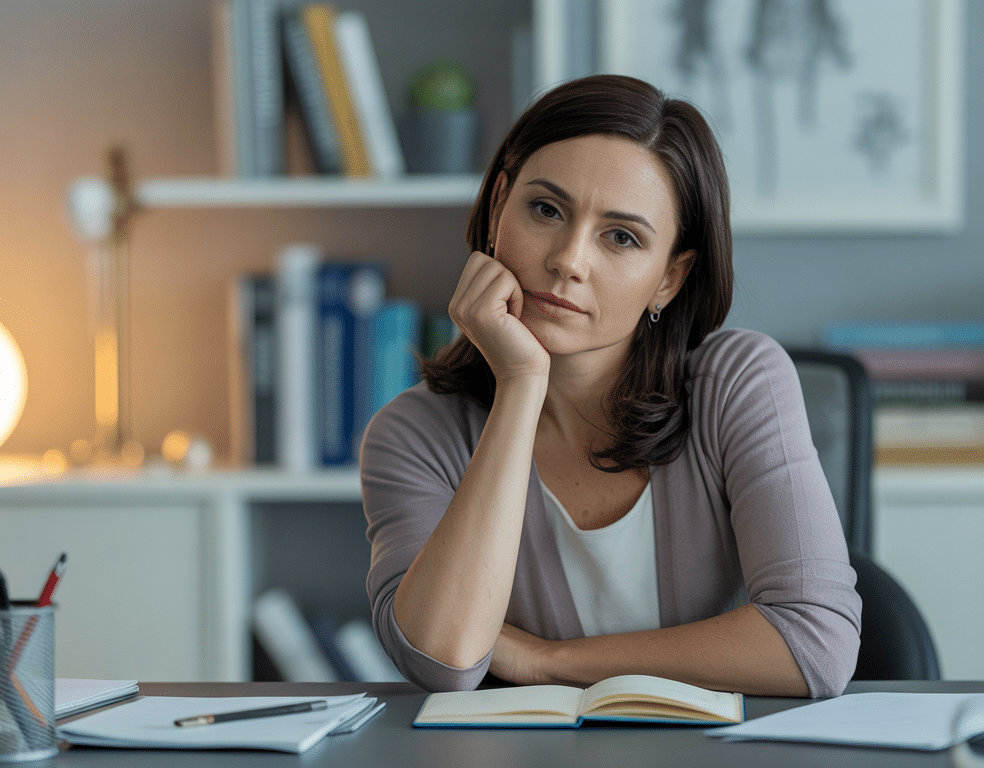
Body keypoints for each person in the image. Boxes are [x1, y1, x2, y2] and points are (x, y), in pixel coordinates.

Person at [361, 74, 860, 698]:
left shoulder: (738, 382)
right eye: (546, 210)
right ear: (497, 211)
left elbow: (815, 645)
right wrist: (520, 385)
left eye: (621, 237)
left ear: (669, 280)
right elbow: (442, 660)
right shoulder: (414, 434)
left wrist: (550, 662)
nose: (569, 259)